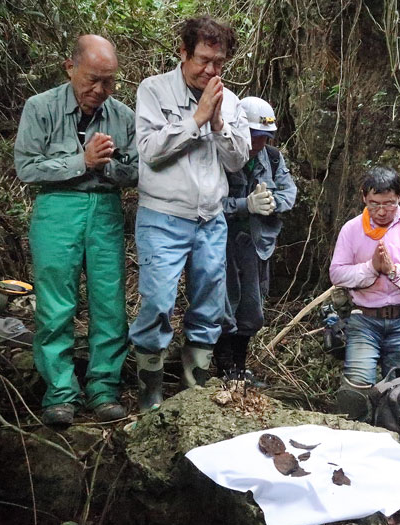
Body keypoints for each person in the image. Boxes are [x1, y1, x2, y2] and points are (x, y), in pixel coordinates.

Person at [14, 35, 138, 425]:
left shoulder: (122, 116)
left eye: (110, 82)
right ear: (70, 69)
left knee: (109, 303)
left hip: (105, 209)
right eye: (92, 80)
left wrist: (107, 167)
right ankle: (60, 393)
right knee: (55, 305)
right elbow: (27, 167)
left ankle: (103, 388)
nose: (101, 91)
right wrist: (80, 161)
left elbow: (135, 172)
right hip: (57, 208)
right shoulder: (40, 107)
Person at [129, 16, 251, 411]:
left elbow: (236, 163)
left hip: (210, 219)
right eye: (203, 60)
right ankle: (149, 398)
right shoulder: (153, 90)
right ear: (183, 52)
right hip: (162, 216)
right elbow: (149, 151)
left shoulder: (230, 102)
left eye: (219, 63)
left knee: (208, 308)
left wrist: (218, 124)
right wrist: (196, 118)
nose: (211, 70)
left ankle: (193, 396)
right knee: (157, 304)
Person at [329, 166, 400, 420]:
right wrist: (371, 269)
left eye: (388, 204)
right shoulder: (352, 229)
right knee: (356, 390)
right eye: (373, 204)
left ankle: (394, 443)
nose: (381, 211)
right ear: (363, 197)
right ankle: (354, 441)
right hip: (365, 319)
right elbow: (337, 274)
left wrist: (393, 271)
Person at [215, 96, 297, 383]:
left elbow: (289, 191)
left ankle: (239, 366)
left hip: (256, 245)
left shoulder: (273, 158)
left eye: (265, 137)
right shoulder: (221, 156)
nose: (259, 143)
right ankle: (221, 368)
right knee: (223, 305)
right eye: (254, 136)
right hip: (222, 245)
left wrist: (271, 202)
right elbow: (207, 204)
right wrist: (243, 205)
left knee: (252, 309)